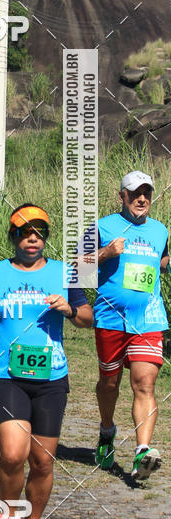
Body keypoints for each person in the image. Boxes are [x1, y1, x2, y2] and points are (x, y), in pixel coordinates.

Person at [0, 204, 92, 519]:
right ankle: (7, 518)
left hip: (51, 378)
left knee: (42, 461)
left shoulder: (65, 273)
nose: (32, 239)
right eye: (24, 232)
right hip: (6, 375)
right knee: (12, 454)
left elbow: (87, 318)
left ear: (45, 238)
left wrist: (69, 309)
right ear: (14, 236)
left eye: (38, 233)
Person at [93, 171, 168, 480]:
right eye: (136, 193)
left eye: (147, 193)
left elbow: (160, 262)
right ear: (121, 196)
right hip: (110, 318)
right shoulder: (101, 226)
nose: (142, 199)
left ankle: (143, 452)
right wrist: (106, 253)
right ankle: (107, 431)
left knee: (144, 384)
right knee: (109, 384)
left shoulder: (161, 230)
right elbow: (74, 267)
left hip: (149, 318)